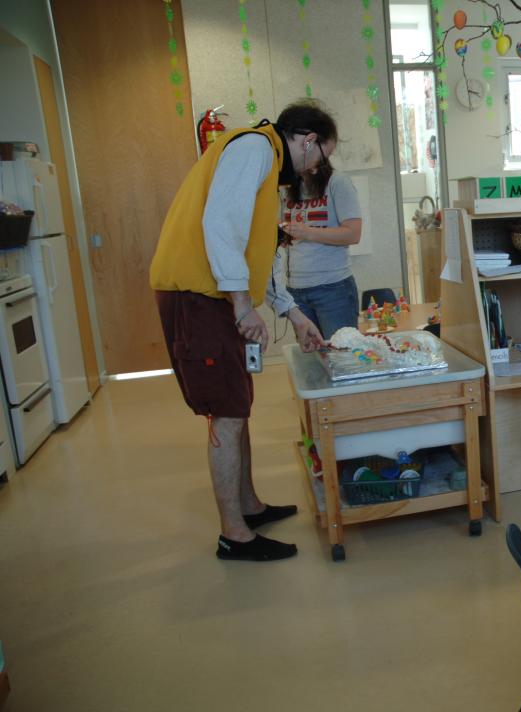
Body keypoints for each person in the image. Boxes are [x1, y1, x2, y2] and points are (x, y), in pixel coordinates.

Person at [150, 101, 337, 562]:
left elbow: (257, 254)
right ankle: (234, 535)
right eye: (321, 157)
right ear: (308, 140)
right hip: (200, 297)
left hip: (215, 297)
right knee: (225, 413)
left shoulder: (267, 164)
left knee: (238, 403)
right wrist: (240, 305)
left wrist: (293, 314)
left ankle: (249, 507)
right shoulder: (254, 148)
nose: (316, 168)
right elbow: (220, 225)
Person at [278, 128, 363, 341]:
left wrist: (308, 232)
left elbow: (353, 234)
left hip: (333, 288)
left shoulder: (337, 182)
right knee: (311, 356)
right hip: (296, 289)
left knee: (341, 354)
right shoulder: (287, 187)